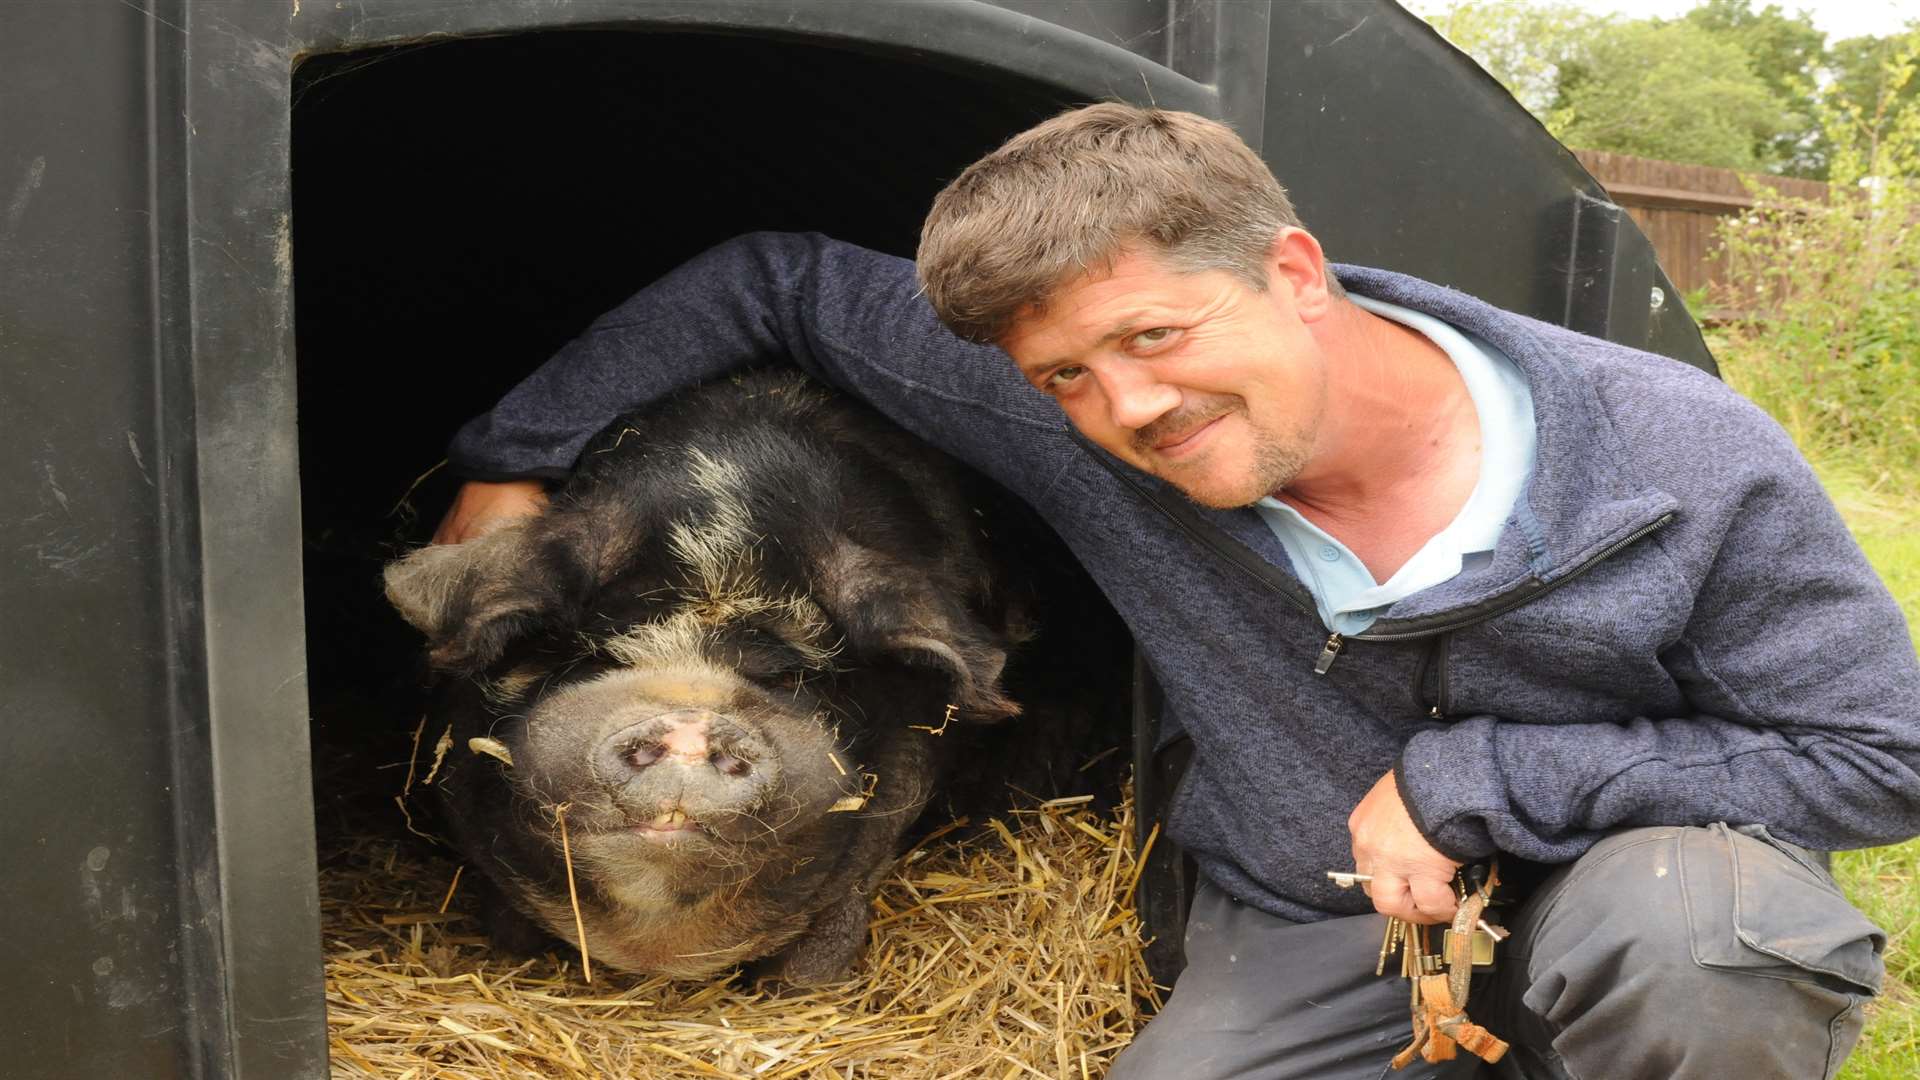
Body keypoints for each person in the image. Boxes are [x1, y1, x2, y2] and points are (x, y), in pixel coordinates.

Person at [433, 105, 1920, 1078]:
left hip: (1619, 884)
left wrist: (1480, 781)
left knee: (1700, 938)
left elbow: (1882, 755)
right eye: (1064, 374)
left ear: (1294, 270)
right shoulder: (1094, 425)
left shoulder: (1676, 456)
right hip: (1313, 916)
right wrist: (512, 463)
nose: (1128, 406)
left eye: (1156, 333)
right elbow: (772, 277)